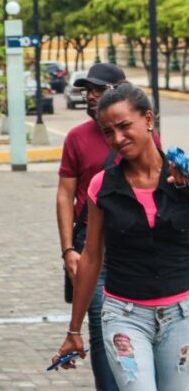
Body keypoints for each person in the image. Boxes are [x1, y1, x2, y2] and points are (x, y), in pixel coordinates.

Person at [54, 84, 189, 390]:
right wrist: (74, 330)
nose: (117, 139)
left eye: (125, 126)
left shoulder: (182, 176)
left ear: (149, 119)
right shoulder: (103, 186)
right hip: (125, 317)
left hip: (182, 315)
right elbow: (91, 256)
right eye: (107, 132)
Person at [55, 63, 126, 391]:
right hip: (89, 245)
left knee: (126, 330)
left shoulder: (139, 133)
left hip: (130, 245)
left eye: (98, 89)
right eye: (88, 90)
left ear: (120, 89)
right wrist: (68, 249)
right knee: (100, 331)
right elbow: (65, 194)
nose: (91, 95)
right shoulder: (76, 138)